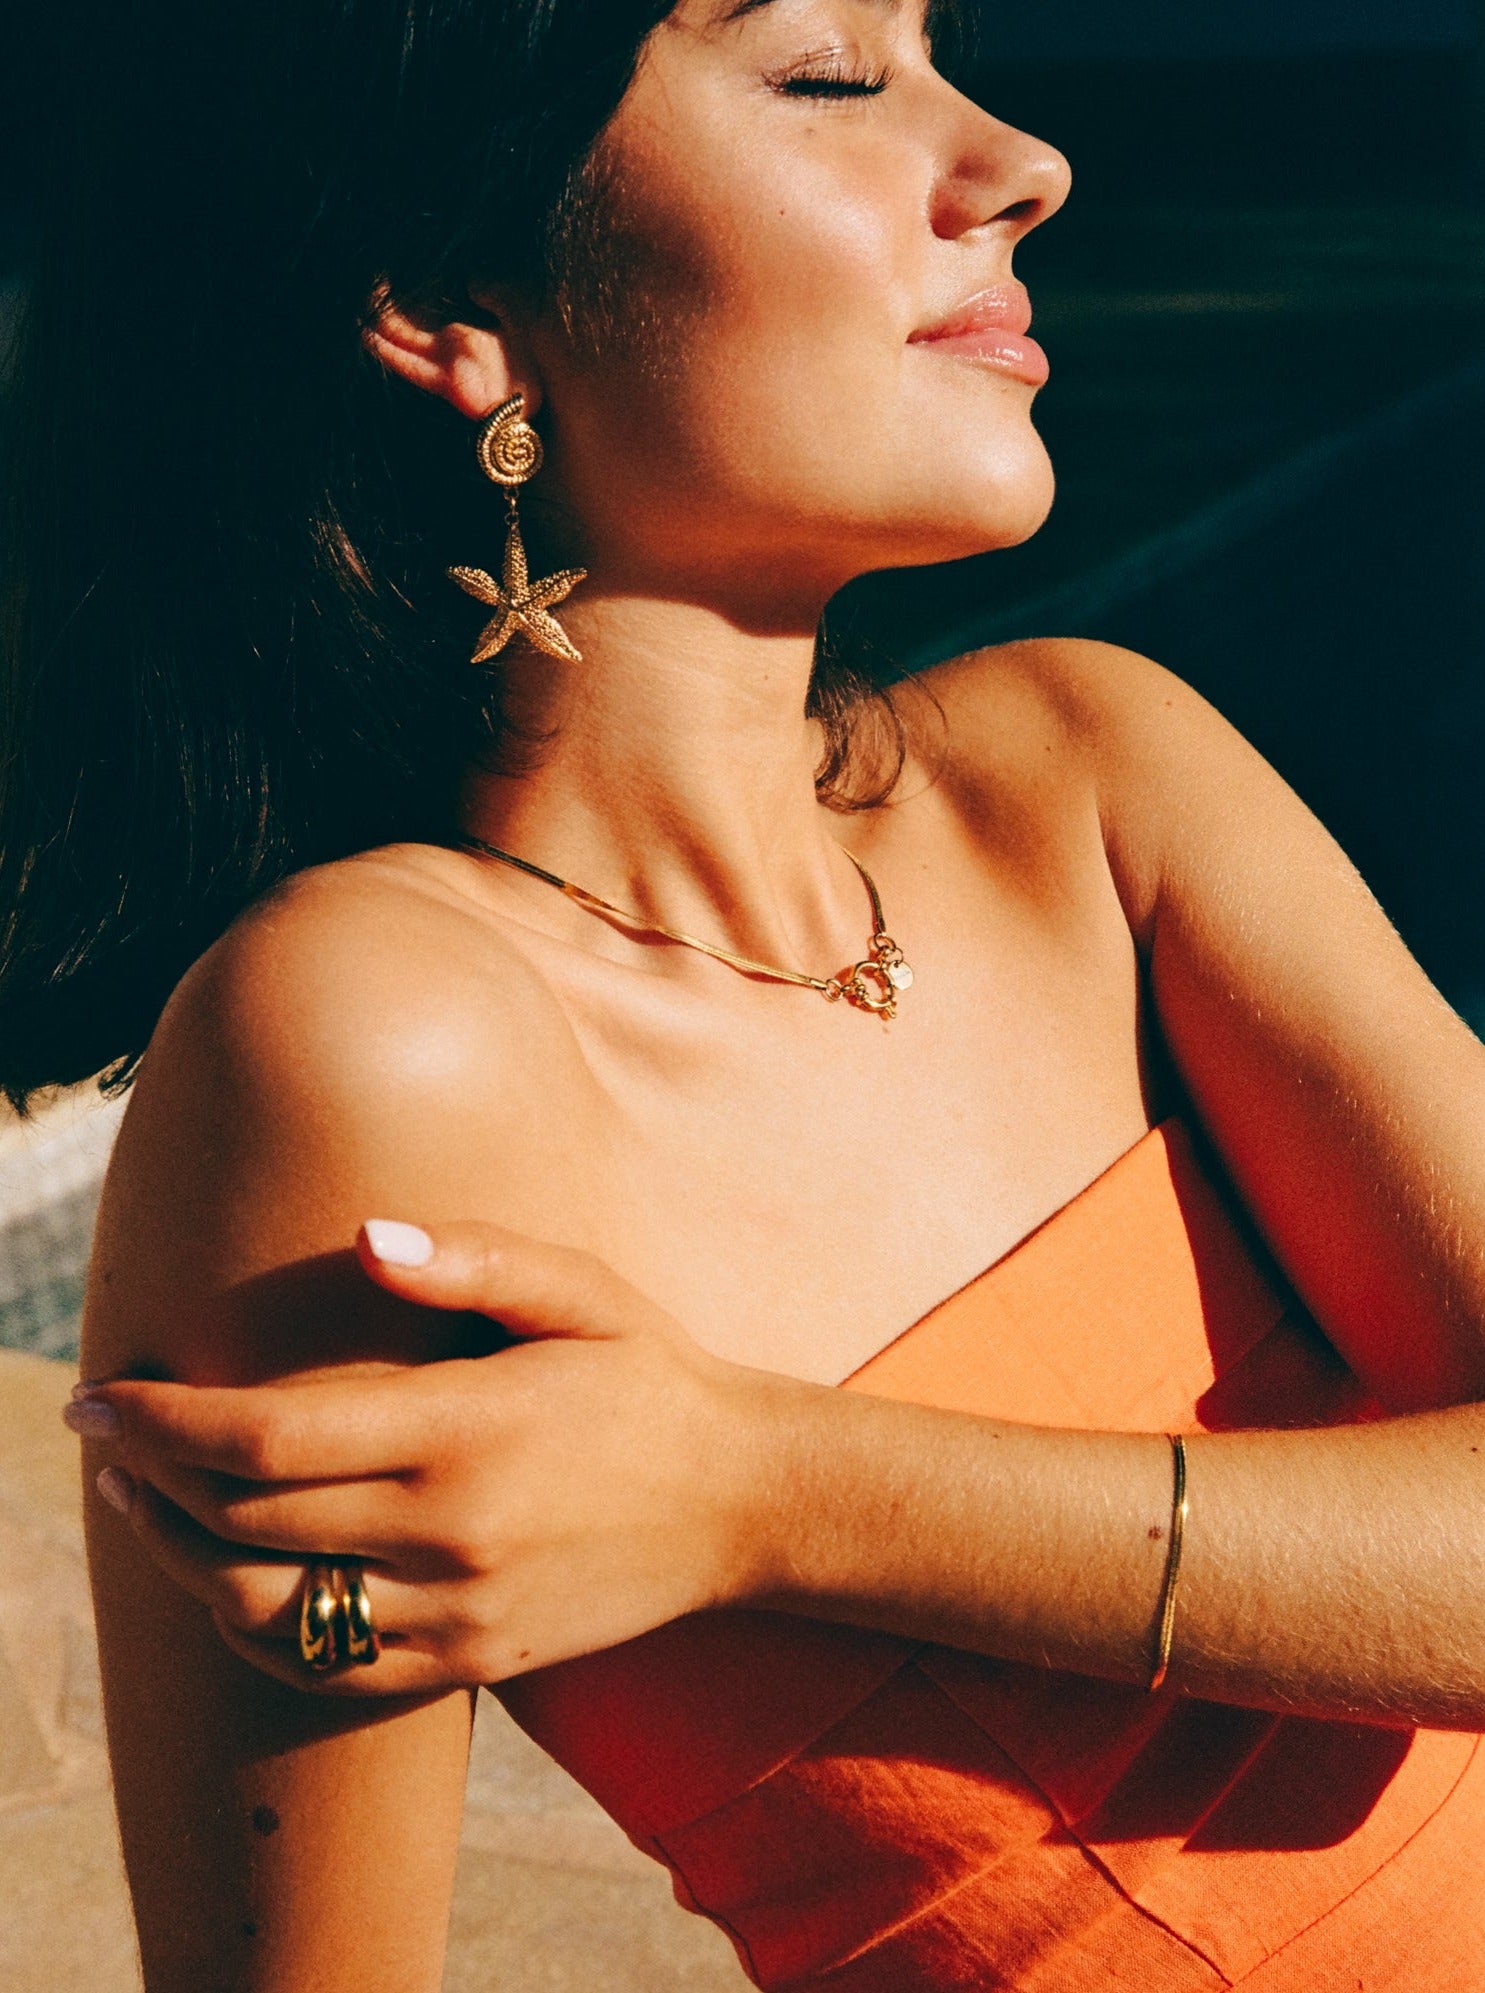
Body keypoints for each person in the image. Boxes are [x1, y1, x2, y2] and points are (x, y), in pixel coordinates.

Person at [5, 0, 1484, 1986]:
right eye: (828, 75)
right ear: (453, 301)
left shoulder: (1089, 778)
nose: (1020, 164)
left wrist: (760, 1489)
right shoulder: (375, 1043)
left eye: (936, 49)